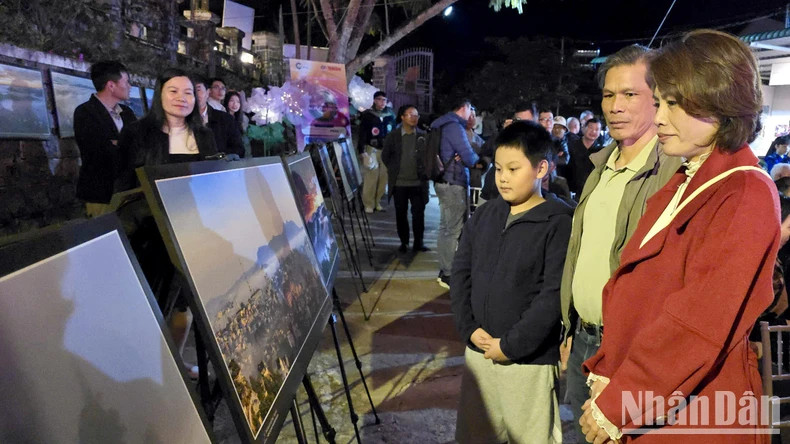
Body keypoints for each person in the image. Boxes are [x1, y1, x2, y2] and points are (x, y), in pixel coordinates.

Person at [579, 30, 779, 442]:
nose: (661, 117)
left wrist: (619, 401)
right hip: (660, 404)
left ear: (720, 104)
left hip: (694, 413)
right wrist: (608, 369)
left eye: (673, 103)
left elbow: (696, 324)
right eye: (660, 101)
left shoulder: (744, 192)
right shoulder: (689, 178)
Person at [560, 44, 682, 439]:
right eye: (609, 95)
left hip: (631, 352)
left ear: (659, 100)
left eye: (630, 94)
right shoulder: (601, 165)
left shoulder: (674, 173)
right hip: (584, 342)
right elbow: (582, 252)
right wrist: (571, 328)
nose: (615, 106)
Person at [451, 120, 572, 444]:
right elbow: (461, 272)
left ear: (541, 168)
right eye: (498, 168)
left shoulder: (558, 222)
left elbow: (552, 295)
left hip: (528, 363)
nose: (502, 177)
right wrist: (468, 328)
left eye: (513, 168)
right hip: (479, 352)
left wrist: (511, 345)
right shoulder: (485, 213)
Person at [116, 68, 217, 380]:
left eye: (188, 92)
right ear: (160, 95)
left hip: (188, 230)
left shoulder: (202, 135)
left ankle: (173, 366)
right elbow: (121, 184)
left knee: (182, 304)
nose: (182, 99)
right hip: (147, 233)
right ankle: (138, 368)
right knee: (147, 302)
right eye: (173, 91)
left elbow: (210, 183)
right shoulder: (137, 133)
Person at [73, 60, 136, 216]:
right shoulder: (85, 112)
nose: (130, 86)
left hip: (128, 191)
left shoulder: (127, 112)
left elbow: (139, 144)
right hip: (101, 193)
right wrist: (125, 145)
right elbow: (98, 151)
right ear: (111, 85)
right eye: (126, 82)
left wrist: (118, 143)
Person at [430, 99, 480, 289]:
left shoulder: (442, 124)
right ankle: (448, 273)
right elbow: (469, 157)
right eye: (470, 109)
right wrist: (473, 156)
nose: (471, 114)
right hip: (453, 182)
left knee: (446, 227)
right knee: (452, 229)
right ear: (463, 107)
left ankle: (445, 269)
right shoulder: (454, 126)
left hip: (443, 181)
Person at [382, 105, 429, 253]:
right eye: (410, 115)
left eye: (416, 115)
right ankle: (404, 242)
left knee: (419, 214)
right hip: (399, 183)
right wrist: (395, 168)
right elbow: (385, 156)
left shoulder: (422, 136)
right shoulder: (394, 136)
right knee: (401, 214)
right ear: (402, 117)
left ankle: (418, 242)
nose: (414, 118)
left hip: (417, 182)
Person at [359, 91, 396, 213]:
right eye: (380, 99)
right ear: (374, 100)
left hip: (387, 150)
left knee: (383, 177)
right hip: (372, 149)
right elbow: (362, 133)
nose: (382, 102)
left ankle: (377, 202)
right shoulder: (368, 115)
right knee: (371, 176)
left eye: (384, 100)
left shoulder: (390, 115)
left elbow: (394, 133)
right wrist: (362, 151)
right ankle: (368, 203)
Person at [194, 76, 244, 158]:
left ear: (208, 92)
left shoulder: (226, 119)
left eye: (198, 90)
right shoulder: (180, 121)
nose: (193, 94)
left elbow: (238, 149)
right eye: (188, 91)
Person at [224, 90, 251, 158]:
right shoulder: (223, 119)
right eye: (232, 101)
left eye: (238, 102)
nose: (235, 104)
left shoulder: (241, 119)